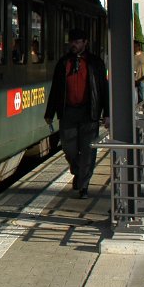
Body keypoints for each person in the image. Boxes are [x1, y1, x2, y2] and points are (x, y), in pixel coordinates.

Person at [44, 28, 110, 198]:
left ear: (85, 43)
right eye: (72, 42)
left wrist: (107, 113)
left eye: (77, 42)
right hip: (68, 112)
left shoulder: (96, 63)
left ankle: (84, 186)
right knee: (69, 148)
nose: (74, 45)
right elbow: (56, 89)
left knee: (88, 150)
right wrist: (49, 112)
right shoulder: (63, 63)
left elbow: (103, 89)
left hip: (89, 113)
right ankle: (79, 171)